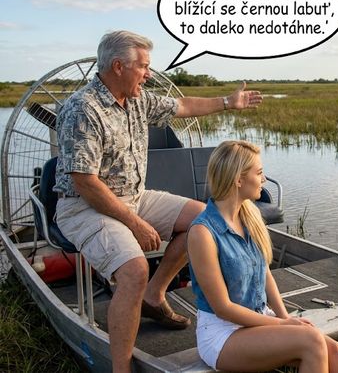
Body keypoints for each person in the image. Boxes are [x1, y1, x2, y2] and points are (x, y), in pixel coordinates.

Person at [53, 30, 262, 373]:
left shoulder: (137, 99)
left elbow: (182, 106)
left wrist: (228, 102)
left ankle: (154, 295)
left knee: (205, 221)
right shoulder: (83, 109)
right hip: (84, 205)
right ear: (118, 66)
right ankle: (121, 368)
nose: (149, 74)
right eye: (144, 66)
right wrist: (135, 223)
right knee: (134, 270)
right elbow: (84, 181)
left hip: (134, 198)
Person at [187, 140, 338, 372]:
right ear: (238, 180)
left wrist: (285, 318)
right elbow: (223, 308)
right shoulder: (202, 233)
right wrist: (282, 324)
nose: (264, 179)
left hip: (258, 318)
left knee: (333, 349)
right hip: (223, 333)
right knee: (312, 341)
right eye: (259, 173)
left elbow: (265, 275)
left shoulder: (250, 216)